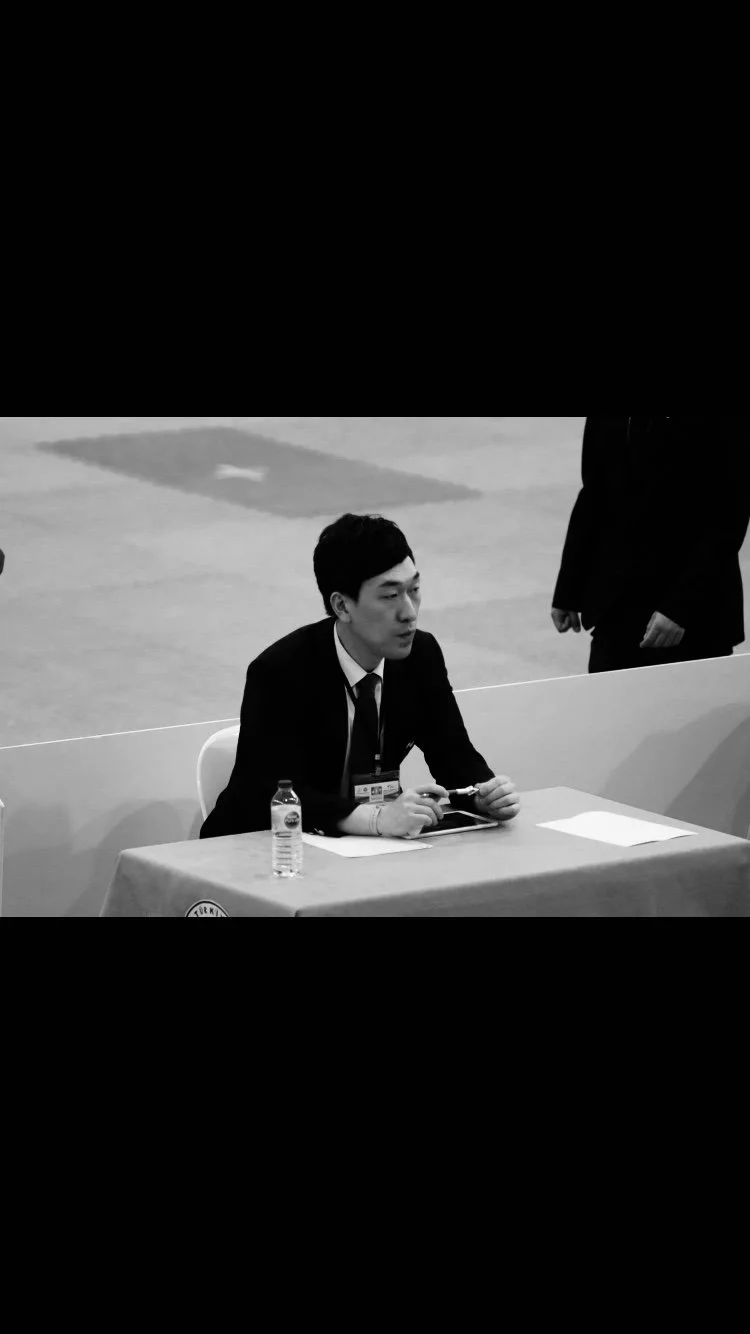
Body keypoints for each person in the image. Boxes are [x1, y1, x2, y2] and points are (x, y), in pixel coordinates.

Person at [201, 513, 521, 840]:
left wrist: (483, 794)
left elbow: (455, 755)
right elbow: (273, 793)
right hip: (264, 848)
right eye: (390, 596)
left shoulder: (420, 656)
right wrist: (375, 819)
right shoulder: (281, 671)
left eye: (415, 589)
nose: (409, 611)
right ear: (342, 606)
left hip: (363, 849)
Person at [552, 417, 750, 673]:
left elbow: (728, 517)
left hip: (694, 612)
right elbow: (593, 493)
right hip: (617, 602)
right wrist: (569, 588)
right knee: (610, 706)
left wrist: (680, 608)